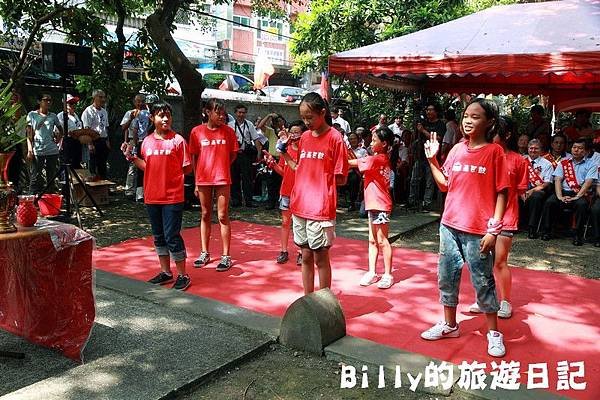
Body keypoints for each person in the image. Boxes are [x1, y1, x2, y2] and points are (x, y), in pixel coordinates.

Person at [420, 98, 509, 358]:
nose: (468, 120)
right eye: (466, 115)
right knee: (446, 276)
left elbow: (502, 193)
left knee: (483, 280)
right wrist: (432, 160)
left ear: (489, 122)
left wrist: (494, 229)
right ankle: (449, 324)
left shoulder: (494, 152)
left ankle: (493, 332)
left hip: (478, 230)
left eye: (476, 116)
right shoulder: (457, 149)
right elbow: (444, 185)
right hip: (449, 225)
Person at [278, 92, 349, 295]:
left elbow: (341, 178)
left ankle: (325, 304)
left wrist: (320, 182)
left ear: (323, 113)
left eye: (310, 117)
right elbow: (298, 167)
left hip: (320, 208)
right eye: (303, 117)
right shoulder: (305, 138)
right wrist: (283, 152)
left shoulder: (335, 138)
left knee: (320, 257)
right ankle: (308, 300)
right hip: (300, 206)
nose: (306, 122)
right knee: (306, 256)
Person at [124, 101, 192, 291]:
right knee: (158, 236)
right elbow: (147, 166)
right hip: (152, 196)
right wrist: (131, 158)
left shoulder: (178, 141)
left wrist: (170, 178)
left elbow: (187, 168)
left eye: (168, 115)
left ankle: (182, 274)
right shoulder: (146, 141)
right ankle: (165, 272)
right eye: (160, 115)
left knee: (172, 236)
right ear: (152, 118)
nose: (165, 119)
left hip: (172, 197)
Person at [470, 116, 527, 319]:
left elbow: (520, 190)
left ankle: (505, 301)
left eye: (493, 132)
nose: (489, 135)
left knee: (500, 261)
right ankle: (484, 299)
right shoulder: (481, 155)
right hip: (481, 217)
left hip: (506, 217)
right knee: (481, 261)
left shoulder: (518, 160)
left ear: (507, 135)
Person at [190, 99, 239, 271]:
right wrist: (197, 181)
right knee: (204, 214)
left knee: (223, 215)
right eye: (217, 112)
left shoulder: (228, 132)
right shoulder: (196, 132)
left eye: (223, 112)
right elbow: (194, 157)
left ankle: (226, 255)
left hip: (222, 178)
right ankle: (205, 252)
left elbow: (233, 155)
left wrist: (221, 166)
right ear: (207, 112)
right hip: (203, 179)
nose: (221, 116)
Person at [349, 126, 395, 289]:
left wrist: (338, 151)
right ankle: (372, 271)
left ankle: (388, 274)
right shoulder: (376, 158)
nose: (371, 142)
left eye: (375, 140)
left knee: (382, 240)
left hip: (380, 204)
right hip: (373, 204)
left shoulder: (377, 159)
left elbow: (351, 163)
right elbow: (355, 162)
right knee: (372, 240)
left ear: (384, 143)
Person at [263, 120, 306, 265]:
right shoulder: (284, 150)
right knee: (285, 222)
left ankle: (301, 252)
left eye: (297, 132)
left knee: (300, 224)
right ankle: (283, 251)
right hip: (286, 190)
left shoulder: (305, 151)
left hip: (301, 192)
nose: (294, 135)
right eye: (292, 132)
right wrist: (272, 164)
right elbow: (282, 171)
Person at [540, 138, 597, 246]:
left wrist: (577, 197)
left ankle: (577, 235)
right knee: (550, 202)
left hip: (580, 193)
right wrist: (560, 196)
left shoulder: (592, 164)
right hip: (564, 191)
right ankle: (546, 232)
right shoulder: (564, 162)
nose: (576, 150)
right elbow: (557, 180)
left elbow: (588, 183)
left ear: (585, 151)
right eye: (574, 147)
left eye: (580, 148)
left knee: (582, 205)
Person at [409, 102, 446, 211]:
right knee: (414, 179)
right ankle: (412, 200)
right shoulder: (423, 122)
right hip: (420, 155)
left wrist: (423, 131)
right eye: (427, 110)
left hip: (432, 157)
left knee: (429, 182)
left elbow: (438, 138)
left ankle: (427, 203)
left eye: (431, 110)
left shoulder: (440, 124)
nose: (428, 112)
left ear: (436, 112)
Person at [26, 93, 64, 195]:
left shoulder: (53, 116)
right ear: (39, 101)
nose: (48, 102)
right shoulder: (32, 115)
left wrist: (57, 139)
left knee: (51, 177)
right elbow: (29, 135)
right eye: (45, 100)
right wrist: (30, 150)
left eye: (50, 100)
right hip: (38, 150)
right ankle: (31, 199)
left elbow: (61, 130)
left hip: (52, 150)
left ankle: (49, 200)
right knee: (35, 177)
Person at [228, 103, 262, 208]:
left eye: (243, 112)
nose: (241, 114)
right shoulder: (230, 125)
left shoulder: (249, 124)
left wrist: (258, 153)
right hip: (234, 154)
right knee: (234, 178)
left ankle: (249, 200)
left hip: (245, 154)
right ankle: (236, 200)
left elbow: (256, 139)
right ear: (235, 113)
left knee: (247, 178)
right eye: (239, 112)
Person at [522, 139, 554, 238]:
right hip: (522, 188)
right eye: (531, 148)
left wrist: (532, 190)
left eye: (536, 148)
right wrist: (521, 192)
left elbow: (547, 183)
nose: (533, 150)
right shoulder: (521, 160)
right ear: (527, 149)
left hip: (539, 189)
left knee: (536, 197)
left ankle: (532, 228)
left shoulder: (547, 164)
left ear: (541, 150)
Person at [120, 94, 146, 199]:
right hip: (132, 140)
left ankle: (141, 191)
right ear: (134, 102)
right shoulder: (129, 113)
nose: (140, 103)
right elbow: (123, 127)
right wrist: (131, 118)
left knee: (143, 166)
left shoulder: (147, 114)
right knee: (132, 165)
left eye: (142, 101)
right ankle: (129, 190)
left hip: (145, 141)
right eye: (138, 101)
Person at [81, 89, 110, 179]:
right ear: (94, 98)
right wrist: (90, 144)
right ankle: (92, 190)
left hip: (103, 140)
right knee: (93, 166)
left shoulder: (104, 111)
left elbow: (105, 127)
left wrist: (107, 141)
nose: (103, 99)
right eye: (100, 97)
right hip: (93, 141)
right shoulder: (88, 111)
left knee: (103, 165)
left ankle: (104, 187)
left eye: (104, 97)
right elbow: (87, 128)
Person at [57, 94, 83, 169]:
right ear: (65, 104)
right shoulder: (61, 116)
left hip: (76, 142)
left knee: (76, 164)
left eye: (74, 103)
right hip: (66, 142)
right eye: (71, 103)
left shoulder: (75, 115)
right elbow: (59, 131)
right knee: (66, 165)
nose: (73, 105)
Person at [346, 131, 368, 211]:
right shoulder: (346, 151)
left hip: (359, 173)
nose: (353, 140)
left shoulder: (363, 151)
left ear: (358, 139)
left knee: (353, 178)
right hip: (347, 172)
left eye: (354, 138)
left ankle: (352, 203)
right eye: (351, 139)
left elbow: (365, 163)